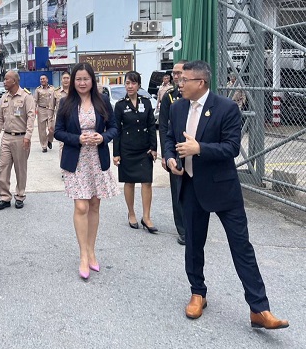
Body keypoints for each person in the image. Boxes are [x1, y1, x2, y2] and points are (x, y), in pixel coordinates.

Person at [164, 60, 288, 329]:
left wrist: (199, 149)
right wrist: (170, 158)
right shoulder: (177, 107)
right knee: (193, 245)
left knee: (241, 246)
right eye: (179, 79)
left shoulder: (226, 107)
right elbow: (169, 138)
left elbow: (231, 148)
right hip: (191, 185)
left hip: (223, 188)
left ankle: (259, 309)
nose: (179, 83)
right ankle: (198, 293)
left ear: (201, 83)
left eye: (184, 80)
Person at [54, 63, 119, 280]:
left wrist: (103, 137)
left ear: (92, 80)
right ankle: (83, 254)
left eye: (86, 79)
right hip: (76, 159)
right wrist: (78, 139)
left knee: (94, 204)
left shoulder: (103, 101)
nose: (82, 83)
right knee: (81, 206)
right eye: (78, 79)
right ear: (73, 81)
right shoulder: (65, 103)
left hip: (97, 159)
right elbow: (58, 132)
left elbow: (114, 128)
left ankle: (91, 250)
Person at [113, 71, 158, 233]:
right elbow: (116, 130)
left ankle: (146, 217)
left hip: (144, 149)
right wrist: (116, 153)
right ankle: (131, 213)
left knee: (147, 182)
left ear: (138, 85)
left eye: (133, 83)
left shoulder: (146, 102)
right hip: (127, 149)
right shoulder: (120, 105)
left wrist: (154, 148)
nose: (130, 86)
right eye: (127, 83)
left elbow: (152, 126)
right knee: (129, 182)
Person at [0, 71, 36, 210]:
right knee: (3, 167)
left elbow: (31, 118)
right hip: (6, 137)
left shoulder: (26, 96)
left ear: (15, 81)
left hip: (21, 138)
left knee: (20, 169)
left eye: (7, 79)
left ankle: (20, 195)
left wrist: (28, 136)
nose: (4, 82)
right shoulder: (4, 97)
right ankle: (5, 197)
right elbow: (0, 118)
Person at [158, 61, 186, 245]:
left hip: (195, 151)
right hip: (175, 151)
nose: (176, 76)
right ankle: (183, 230)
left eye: (179, 73)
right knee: (177, 191)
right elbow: (163, 127)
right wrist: (165, 155)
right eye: (174, 73)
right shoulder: (170, 97)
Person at [33, 74, 55, 152]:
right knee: (42, 130)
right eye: (41, 79)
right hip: (41, 110)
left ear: (47, 80)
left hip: (50, 110)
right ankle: (44, 146)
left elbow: (56, 99)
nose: (42, 80)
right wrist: (33, 111)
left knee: (52, 127)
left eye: (44, 79)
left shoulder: (52, 89)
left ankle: (49, 140)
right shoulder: (38, 90)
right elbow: (35, 101)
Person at [53, 71, 71, 163]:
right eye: (64, 78)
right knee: (62, 145)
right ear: (61, 80)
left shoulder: (75, 92)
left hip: (74, 121)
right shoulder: (56, 92)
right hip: (62, 123)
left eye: (68, 78)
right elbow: (51, 108)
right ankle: (63, 165)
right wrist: (51, 122)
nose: (66, 80)